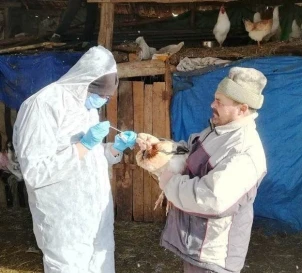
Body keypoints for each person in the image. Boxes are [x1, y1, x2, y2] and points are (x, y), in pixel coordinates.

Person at [13, 45, 137, 273]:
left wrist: (112, 150)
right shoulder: (43, 106)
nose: (103, 101)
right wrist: (83, 145)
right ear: (85, 82)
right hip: (64, 220)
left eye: (107, 97)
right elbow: (35, 171)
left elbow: (88, 159)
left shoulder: (85, 106)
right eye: (101, 95)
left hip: (95, 216)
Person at [144, 67, 268, 273]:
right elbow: (190, 155)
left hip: (214, 255)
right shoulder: (218, 131)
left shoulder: (244, 152)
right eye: (215, 98)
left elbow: (211, 198)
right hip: (196, 244)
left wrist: (168, 181)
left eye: (220, 101)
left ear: (242, 109)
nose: (212, 104)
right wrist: (159, 149)